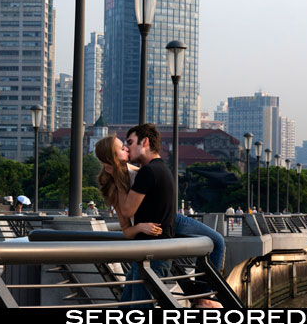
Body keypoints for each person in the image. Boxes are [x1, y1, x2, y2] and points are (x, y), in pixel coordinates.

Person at [95, 132, 224, 308]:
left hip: (169, 218)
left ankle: (202, 297)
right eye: (121, 147)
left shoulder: (141, 172)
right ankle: (202, 297)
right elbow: (126, 229)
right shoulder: (113, 188)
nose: (126, 147)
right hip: (149, 236)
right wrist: (140, 226)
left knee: (216, 241)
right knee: (132, 299)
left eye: (126, 144)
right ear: (111, 157)